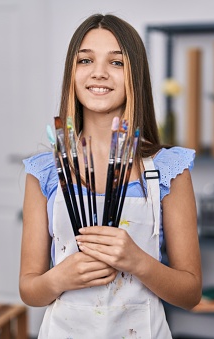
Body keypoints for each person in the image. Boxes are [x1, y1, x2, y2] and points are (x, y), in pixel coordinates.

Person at [19, 13, 202, 338]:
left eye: (116, 63)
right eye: (85, 60)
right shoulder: (44, 172)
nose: (99, 72)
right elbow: (29, 290)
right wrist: (58, 279)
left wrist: (137, 261)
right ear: (71, 73)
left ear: (136, 74)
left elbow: (190, 294)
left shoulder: (167, 170)